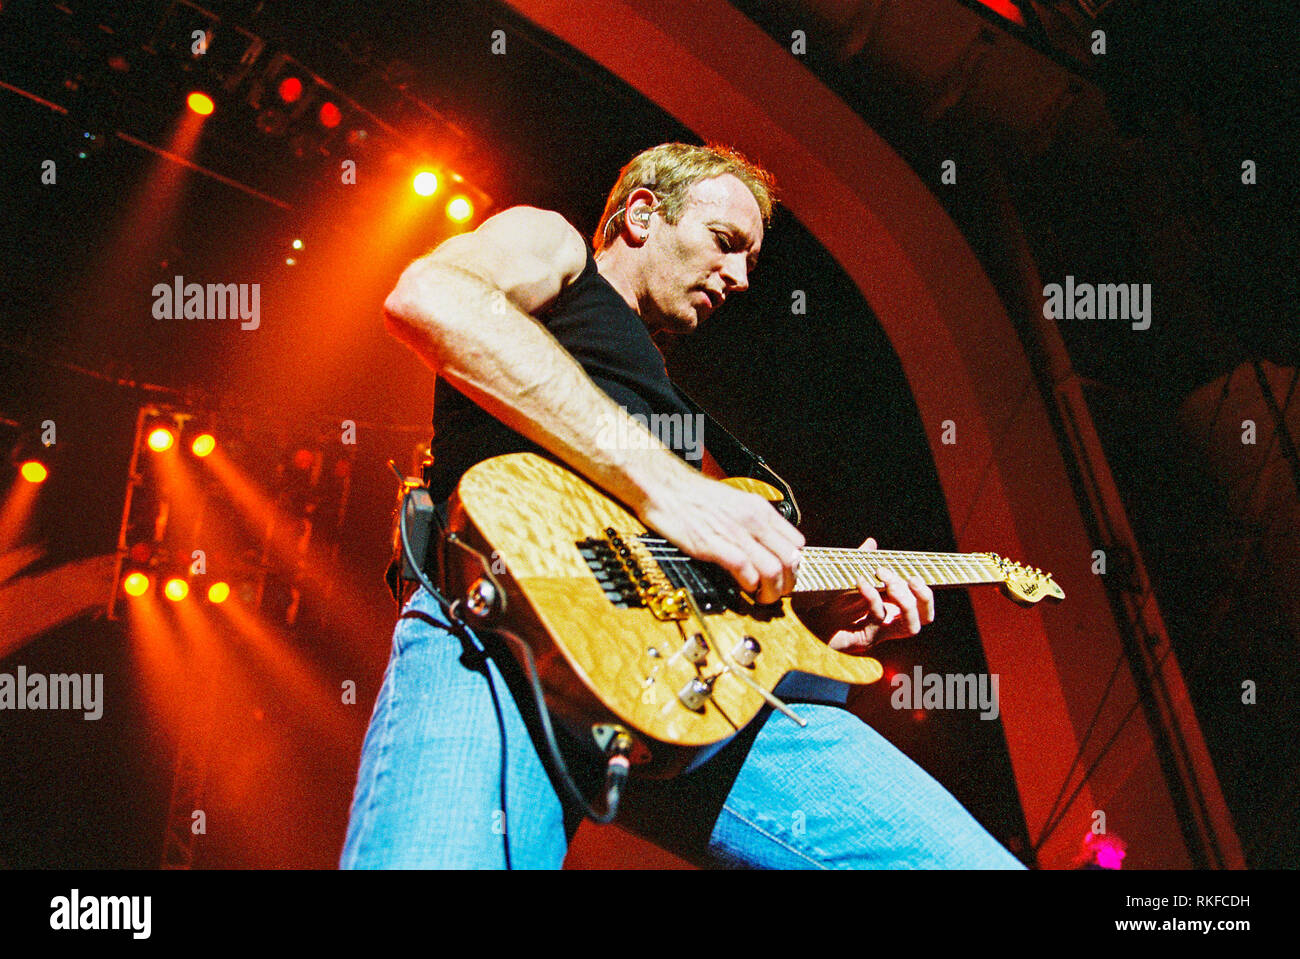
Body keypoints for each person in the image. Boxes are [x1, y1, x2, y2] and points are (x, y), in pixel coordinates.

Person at [341, 142, 1024, 869]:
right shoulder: (556, 246)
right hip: (506, 632)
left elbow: (673, 569)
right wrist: (673, 491)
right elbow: (432, 298)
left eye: (750, 265)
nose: (736, 277)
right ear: (641, 214)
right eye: (725, 244)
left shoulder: (682, 423)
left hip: (687, 691)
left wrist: (816, 626)